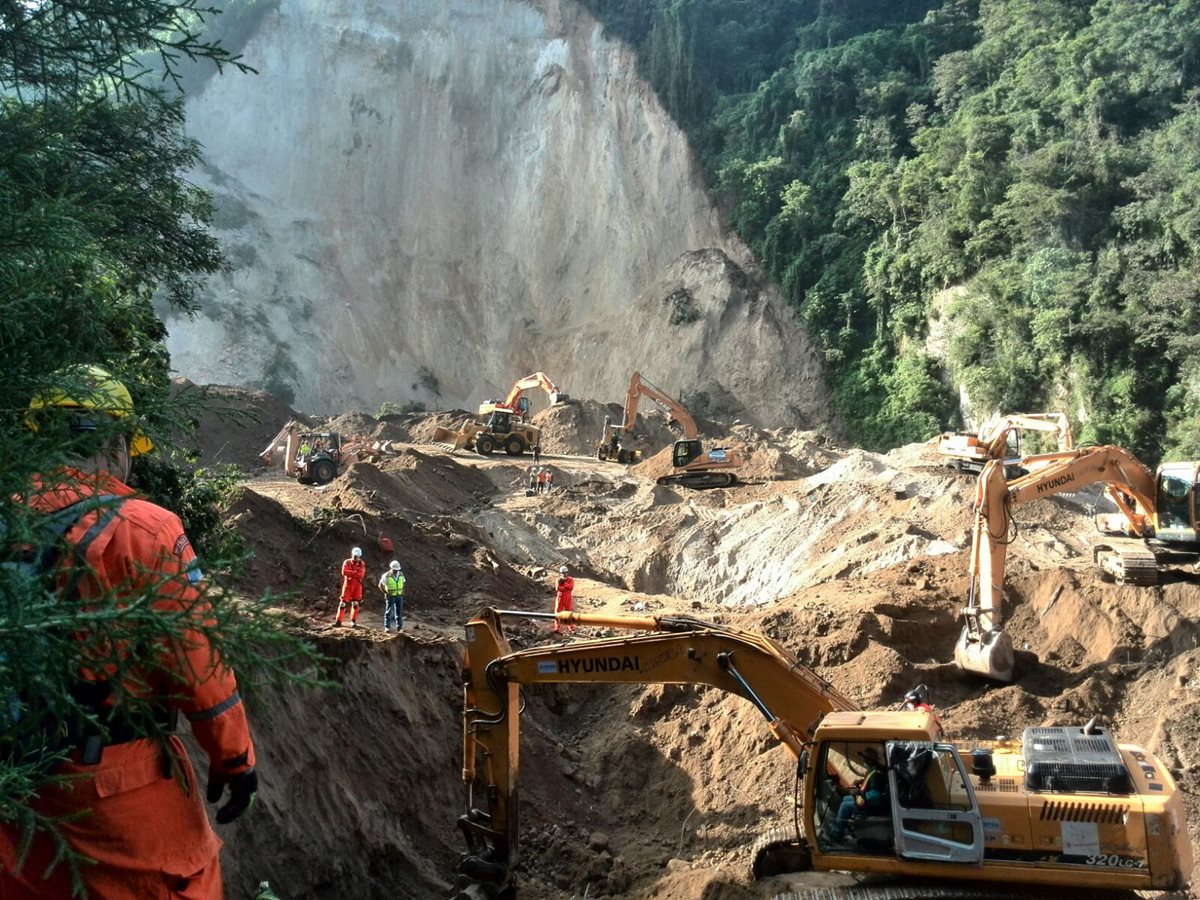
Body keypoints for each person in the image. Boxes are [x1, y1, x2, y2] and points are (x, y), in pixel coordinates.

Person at [1, 365, 258, 899]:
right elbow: (199, 665)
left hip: (16, 795)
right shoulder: (144, 530)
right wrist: (235, 758)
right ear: (117, 442)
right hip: (115, 788)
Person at [825, 746, 887, 843]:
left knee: (845, 806)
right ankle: (844, 827)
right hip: (865, 802)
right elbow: (870, 784)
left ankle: (836, 834)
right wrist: (862, 782)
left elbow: (875, 796)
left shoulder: (876, 774)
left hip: (869, 807)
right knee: (846, 798)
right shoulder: (873, 770)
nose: (863, 760)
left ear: (869, 760)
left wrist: (858, 794)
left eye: (864, 758)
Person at [334, 546, 366, 627]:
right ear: (352, 554)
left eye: (357, 556)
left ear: (360, 556)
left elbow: (361, 574)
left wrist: (351, 573)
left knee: (355, 603)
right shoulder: (347, 562)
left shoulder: (362, 564)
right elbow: (344, 572)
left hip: (357, 585)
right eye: (355, 556)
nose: (356, 558)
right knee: (342, 603)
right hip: (348, 585)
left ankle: (353, 621)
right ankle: (338, 621)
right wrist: (355, 573)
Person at [377, 560, 406, 632]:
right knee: (389, 612)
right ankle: (387, 627)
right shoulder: (386, 576)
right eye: (395, 570)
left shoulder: (401, 574)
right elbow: (380, 585)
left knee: (399, 612)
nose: (396, 571)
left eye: (397, 570)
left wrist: (402, 590)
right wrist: (385, 593)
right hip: (391, 596)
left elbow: (403, 582)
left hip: (399, 595)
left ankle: (399, 628)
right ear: (391, 568)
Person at [552, 565, 575, 634]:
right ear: (560, 573)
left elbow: (571, 587)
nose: (564, 574)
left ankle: (571, 628)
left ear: (567, 573)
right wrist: (565, 587)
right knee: (557, 613)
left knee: (569, 613)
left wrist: (564, 584)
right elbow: (558, 588)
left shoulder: (570, 579)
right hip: (560, 599)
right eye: (562, 573)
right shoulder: (558, 580)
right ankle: (557, 628)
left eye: (565, 572)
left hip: (568, 599)